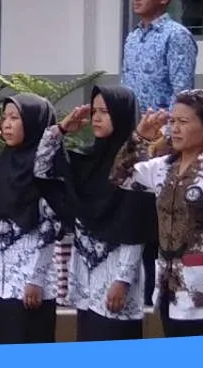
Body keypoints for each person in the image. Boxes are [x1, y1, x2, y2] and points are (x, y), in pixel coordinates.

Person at [111, 88, 203, 338]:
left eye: (183, 122)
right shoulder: (162, 167)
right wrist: (140, 137)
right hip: (167, 286)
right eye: (172, 121)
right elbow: (120, 176)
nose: (175, 128)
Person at [0, 93, 65, 344]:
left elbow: (49, 230)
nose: (6, 124)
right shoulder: (2, 166)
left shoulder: (45, 173)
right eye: (4, 117)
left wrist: (35, 280)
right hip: (0, 281)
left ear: (33, 123)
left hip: (30, 284)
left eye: (15, 118)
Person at [53, 86, 157, 341]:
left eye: (106, 112)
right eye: (95, 111)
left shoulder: (137, 165)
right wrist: (61, 130)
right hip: (84, 274)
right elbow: (41, 166)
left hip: (117, 277)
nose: (96, 118)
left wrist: (122, 280)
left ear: (122, 115)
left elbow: (135, 226)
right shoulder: (86, 160)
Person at [121, 0, 197, 304]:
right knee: (131, 213)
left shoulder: (176, 36)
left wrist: (166, 138)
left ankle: (159, 293)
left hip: (162, 145)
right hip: (135, 140)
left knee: (156, 220)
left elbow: (183, 93)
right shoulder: (132, 38)